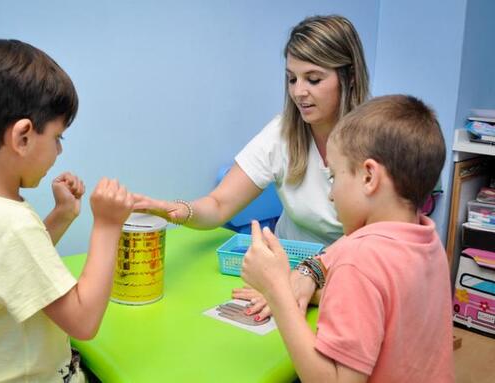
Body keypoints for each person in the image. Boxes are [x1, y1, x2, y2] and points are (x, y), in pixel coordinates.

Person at [0, 38, 133, 382]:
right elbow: (84, 321)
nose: (59, 151)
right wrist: (107, 226)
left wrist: (61, 215)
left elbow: (10, 264)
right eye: (59, 137)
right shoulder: (11, 223)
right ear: (23, 137)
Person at [241, 95, 454, 382]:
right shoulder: (427, 238)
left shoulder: (358, 263)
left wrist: (277, 291)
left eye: (334, 178)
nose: (331, 194)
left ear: (369, 177)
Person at [133, 14, 369, 246]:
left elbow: (383, 241)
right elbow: (218, 205)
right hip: (284, 266)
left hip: (348, 273)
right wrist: (181, 210)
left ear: (349, 77)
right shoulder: (282, 132)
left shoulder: (379, 139)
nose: (298, 92)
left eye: (313, 79)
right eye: (292, 79)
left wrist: (313, 274)